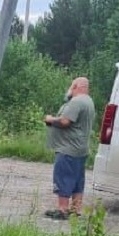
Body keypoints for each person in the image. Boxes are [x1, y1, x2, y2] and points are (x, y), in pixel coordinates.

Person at [42, 77, 95, 219]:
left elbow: (65, 121)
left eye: (71, 86)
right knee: (77, 179)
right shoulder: (88, 101)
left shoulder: (76, 102)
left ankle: (62, 210)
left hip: (68, 148)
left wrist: (50, 119)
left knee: (63, 177)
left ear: (76, 86)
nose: (69, 89)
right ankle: (76, 209)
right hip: (81, 148)